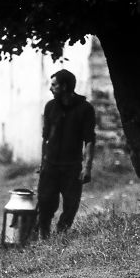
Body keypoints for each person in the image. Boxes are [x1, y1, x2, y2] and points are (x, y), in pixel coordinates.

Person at [37, 68, 96, 239]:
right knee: (45, 202)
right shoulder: (50, 107)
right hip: (50, 165)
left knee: (71, 204)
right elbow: (45, 138)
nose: (50, 88)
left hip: (72, 166)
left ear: (64, 86)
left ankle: (61, 234)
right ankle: (44, 237)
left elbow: (89, 139)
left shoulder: (85, 109)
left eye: (54, 85)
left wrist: (87, 167)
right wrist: (42, 164)